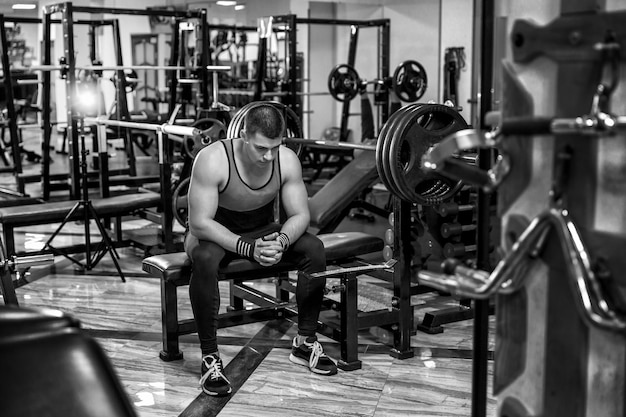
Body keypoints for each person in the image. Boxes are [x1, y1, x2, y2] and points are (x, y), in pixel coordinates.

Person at [185, 102, 338, 397]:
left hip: (261, 231)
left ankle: (305, 343)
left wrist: (280, 241)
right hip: (213, 235)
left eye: (274, 147)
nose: (269, 156)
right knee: (203, 258)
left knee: (314, 249)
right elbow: (199, 224)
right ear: (244, 135)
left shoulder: (286, 160)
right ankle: (210, 357)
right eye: (260, 148)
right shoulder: (212, 159)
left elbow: (300, 216)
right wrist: (247, 247)